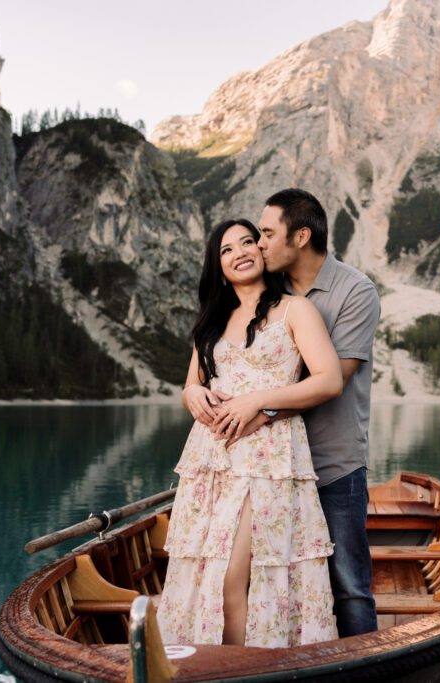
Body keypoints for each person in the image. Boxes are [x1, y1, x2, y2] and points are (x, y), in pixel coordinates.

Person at [157, 218, 342, 648]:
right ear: (217, 266)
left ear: (262, 251)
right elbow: (191, 384)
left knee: (233, 577)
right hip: (211, 458)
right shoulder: (212, 320)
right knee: (206, 571)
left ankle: (246, 669)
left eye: (247, 242)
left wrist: (258, 400)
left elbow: (329, 380)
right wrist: (192, 397)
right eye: (226, 250)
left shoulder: (295, 309)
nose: (239, 252)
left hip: (267, 459)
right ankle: (211, 664)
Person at [219, 188, 380, 637]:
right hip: (271, 470)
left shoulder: (355, 291)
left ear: (301, 236)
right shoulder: (270, 292)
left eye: (267, 234)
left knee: (348, 584)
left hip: (332, 463)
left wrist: (256, 405)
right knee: (278, 581)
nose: (258, 244)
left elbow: (334, 378)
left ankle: (361, 668)